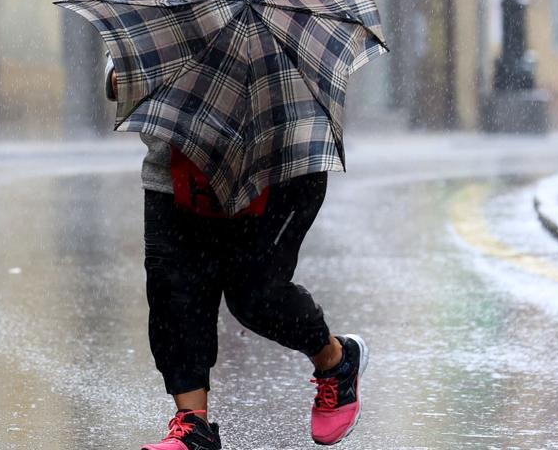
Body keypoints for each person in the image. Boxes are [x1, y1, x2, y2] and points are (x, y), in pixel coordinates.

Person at [106, 60, 368, 450]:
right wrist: (126, 75)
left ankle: (336, 360)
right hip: (177, 168)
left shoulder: (286, 4)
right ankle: (194, 426)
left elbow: (318, 72)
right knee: (174, 292)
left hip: (279, 167)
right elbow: (121, 68)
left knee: (255, 296)